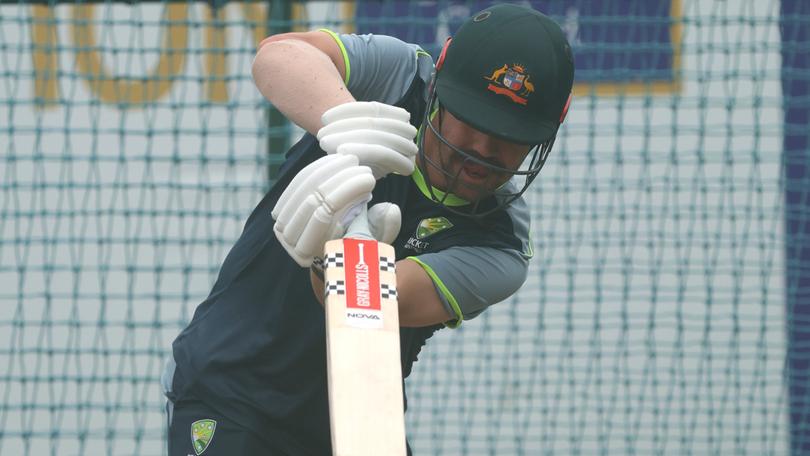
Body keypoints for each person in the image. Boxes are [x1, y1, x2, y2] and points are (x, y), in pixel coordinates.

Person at [162, 3, 574, 455]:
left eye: (509, 135)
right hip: (231, 391)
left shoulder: (500, 248)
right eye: (471, 120)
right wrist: (347, 124)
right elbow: (276, 56)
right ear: (439, 85)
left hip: (361, 427)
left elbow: (365, 309)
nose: (481, 149)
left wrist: (332, 249)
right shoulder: (401, 77)